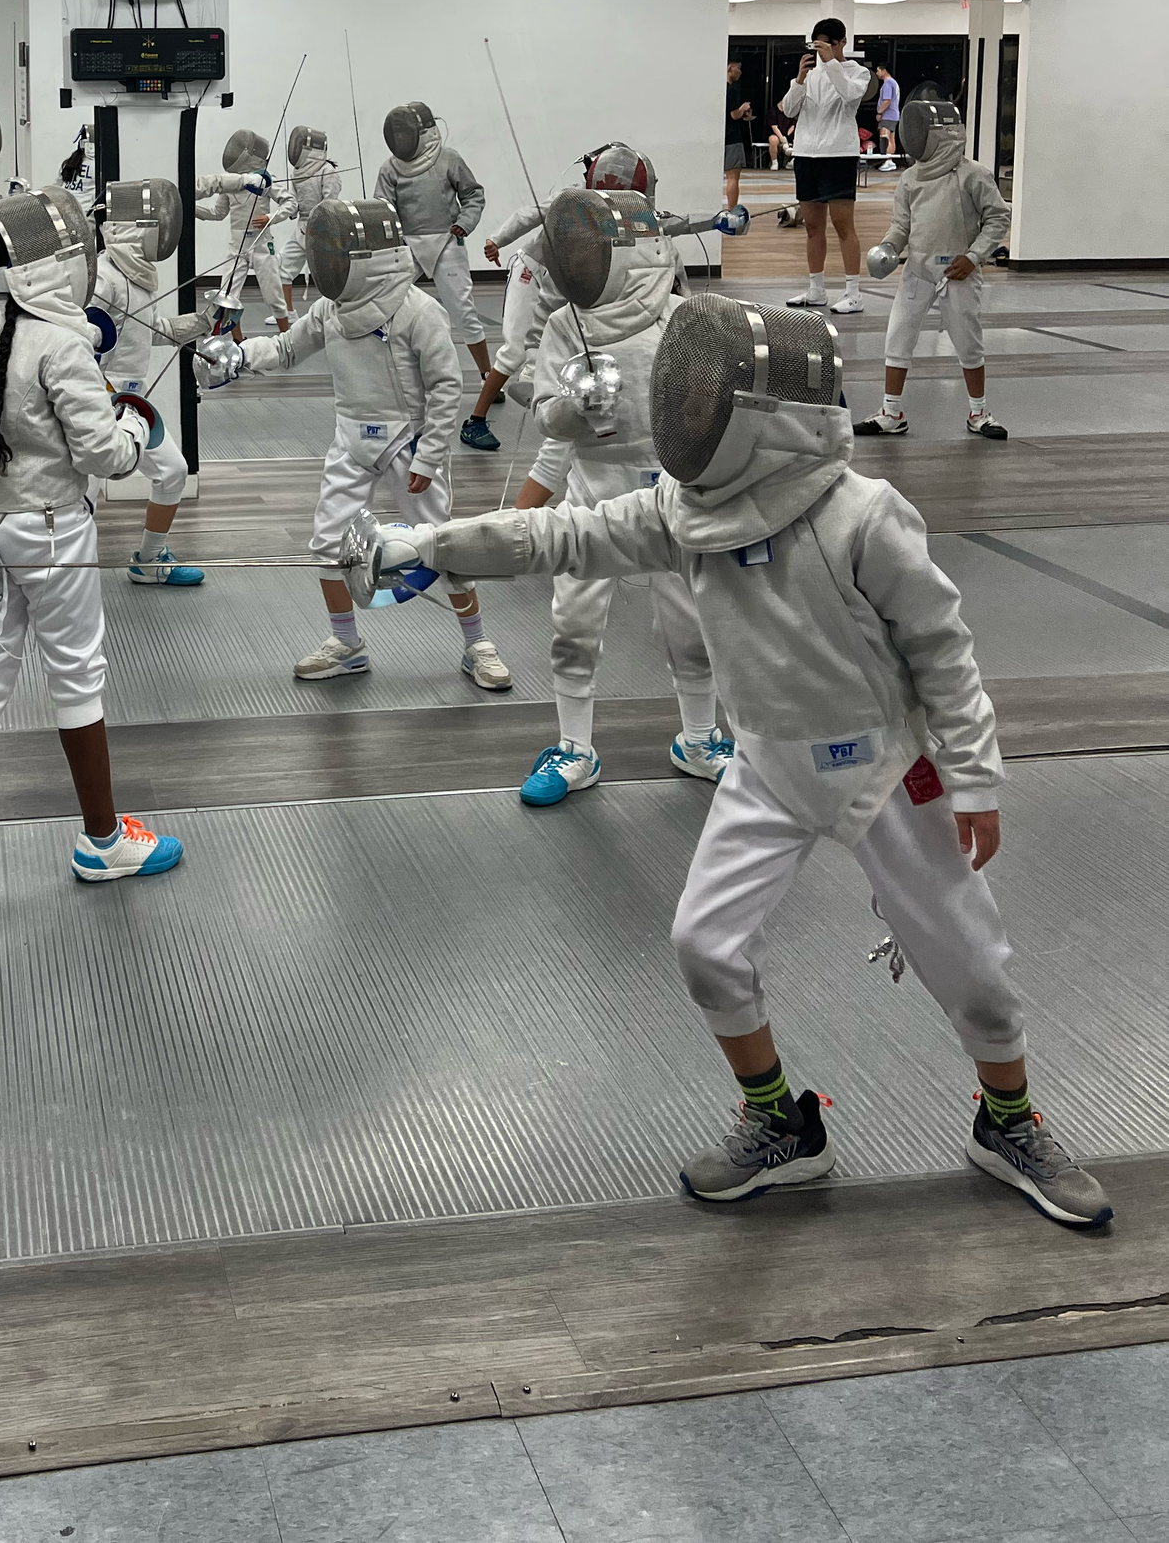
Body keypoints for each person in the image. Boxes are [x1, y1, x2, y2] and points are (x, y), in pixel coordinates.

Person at [356, 294, 1111, 1229]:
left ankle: (1008, 1121)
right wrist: (431, 544)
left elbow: (942, 649)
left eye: (704, 398)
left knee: (972, 964)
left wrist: (974, 777)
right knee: (703, 945)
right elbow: (562, 534)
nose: (683, 411)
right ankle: (779, 1125)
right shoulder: (685, 507)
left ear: (757, 417)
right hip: (762, 760)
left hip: (881, 766)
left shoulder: (865, 515)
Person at [0, 187, 184, 895]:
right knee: (76, 677)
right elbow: (104, 457)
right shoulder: (58, 341)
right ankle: (102, 843)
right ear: (47, 268)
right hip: (51, 532)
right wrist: (135, 422)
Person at [196, 199, 511, 693]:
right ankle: (347, 645)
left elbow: (448, 387)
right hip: (350, 439)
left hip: (408, 442)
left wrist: (429, 455)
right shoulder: (331, 308)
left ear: (364, 256)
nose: (325, 260)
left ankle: (478, 643)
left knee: (441, 545)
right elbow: (284, 348)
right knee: (326, 546)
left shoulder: (417, 311)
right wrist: (239, 356)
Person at [505, 183, 730, 803]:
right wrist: (576, 411)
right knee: (573, 625)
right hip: (594, 499)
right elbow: (547, 416)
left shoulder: (683, 320)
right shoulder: (562, 326)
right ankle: (575, 748)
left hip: (674, 496)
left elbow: (714, 413)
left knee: (691, 624)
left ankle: (701, 738)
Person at [857, 95, 1010, 441]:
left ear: (941, 134)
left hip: (958, 273)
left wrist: (974, 257)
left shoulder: (973, 175)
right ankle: (891, 413)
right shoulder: (911, 178)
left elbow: (998, 216)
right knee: (898, 336)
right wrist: (888, 247)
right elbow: (901, 226)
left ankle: (979, 412)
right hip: (918, 270)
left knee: (968, 343)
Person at [88, 175, 210, 585]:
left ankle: (149, 559)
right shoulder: (104, 277)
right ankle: (65, 578)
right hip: (95, 403)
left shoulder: (133, 274)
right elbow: (82, 344)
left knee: (173, 470)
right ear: (137, 228)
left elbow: (144, 329)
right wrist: (97, 401)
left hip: (132, 404)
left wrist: (203, 323)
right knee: (79, 497)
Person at [374, 102, 492, 383]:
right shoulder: (390, 168)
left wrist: (464, 223)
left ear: (424, 131)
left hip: (447, 241)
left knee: (463, 310)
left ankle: (487, 374)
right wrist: (391, 237)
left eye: (405, 133)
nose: (401, 140)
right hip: (407, 246)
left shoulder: (448, 158)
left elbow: (473, 195)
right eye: (398, 135)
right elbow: (382, 208)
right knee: (384, 303)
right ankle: (388, 373)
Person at [779, 19, 868, 314]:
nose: (821, 51)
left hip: (839, 155)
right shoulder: (811, 74)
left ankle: (853, 293)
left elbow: (850, 95)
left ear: (842, 42)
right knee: (813, 227)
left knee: (844, 226)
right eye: (817, 45)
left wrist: (832, 63)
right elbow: (789, 110)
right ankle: (816, 289)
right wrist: (800, 80)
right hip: (806, 155)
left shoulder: (858, 72)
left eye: (827, 44)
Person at [459, 196, 549, 450]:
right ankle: (475, 422)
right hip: (533, 270)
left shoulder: (630, 211)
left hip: (571, 279)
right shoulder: (575, 195)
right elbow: (530, 214)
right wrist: (497, 240)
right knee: (515, 350)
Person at [196, 126, 281, 337]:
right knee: (228, 296)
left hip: (261, 243)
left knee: (274, 294)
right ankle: (238, 342)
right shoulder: (231, 186)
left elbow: (290, 202)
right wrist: (190, 208)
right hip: (237, 246)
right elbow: (217, 213)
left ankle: (289, 339)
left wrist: (272, 218)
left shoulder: (267, 181)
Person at [266, 123, 343, 321]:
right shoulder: (297, 173)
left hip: (323, 229)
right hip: (302, 228)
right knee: (283, 267)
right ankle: (287, 313)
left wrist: (321, 226)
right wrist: (282, 213)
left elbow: (330, 202)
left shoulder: (327, 170)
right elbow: (294, 201)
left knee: (330, 273)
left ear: (311, 149)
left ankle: (341, 313)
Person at [724, 62, 755, 212]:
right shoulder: (730, 90)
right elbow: (734, 115)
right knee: (733, 175)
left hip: (725, 136)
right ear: (730, 67)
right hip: (732, 137)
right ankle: (732, 209)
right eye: (738, 68)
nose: (740, 72)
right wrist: (742, 109)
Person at [874, 61, 902, 166]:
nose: (877, 73)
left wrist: (880, 112)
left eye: (878, 70)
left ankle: (888, 159)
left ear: (884, 71)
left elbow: (887, 100)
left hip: (888, 115)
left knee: (885, 136)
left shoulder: (888, 83)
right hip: (894, 115)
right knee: (891, 137)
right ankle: (889, 159)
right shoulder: (894, 82)